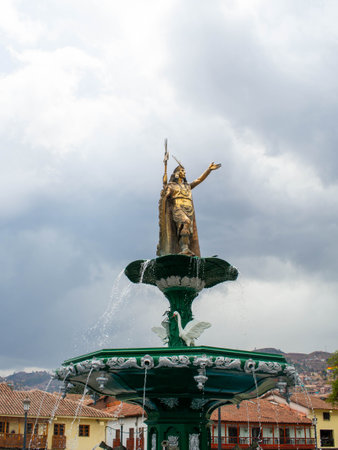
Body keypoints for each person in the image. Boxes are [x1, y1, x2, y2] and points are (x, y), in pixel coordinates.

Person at [157, 159, 221, 257]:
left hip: (189, 208)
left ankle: (185, 247)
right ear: (177, 173)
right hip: (177, 207)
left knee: (188, 230)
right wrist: (165, 165)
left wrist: (209, 170)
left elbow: (198, 180)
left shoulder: (187, 186)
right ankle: (184, 248)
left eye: (184, 171)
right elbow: (165, 187)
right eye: (182, 170)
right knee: (185, 222)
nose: (184, 172)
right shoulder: (172, 185)